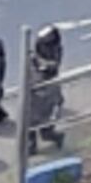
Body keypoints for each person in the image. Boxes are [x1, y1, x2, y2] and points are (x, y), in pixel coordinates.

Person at [28, 25, 65, 154]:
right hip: (33, 94)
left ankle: (58, 137)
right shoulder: (35, 54)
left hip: (46, 95)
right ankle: (31, 147)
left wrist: (38, 64)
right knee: (29, 124)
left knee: (45, 130)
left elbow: (50, 68)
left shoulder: (55, 54)